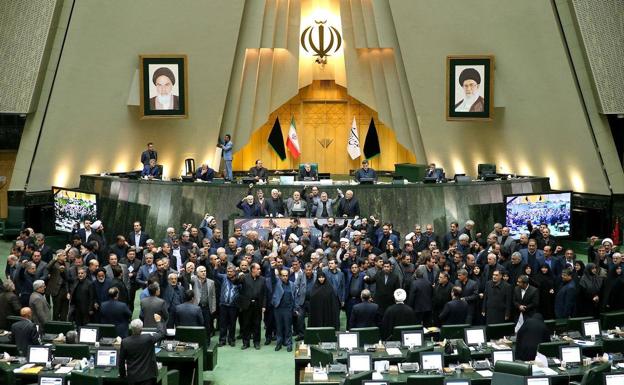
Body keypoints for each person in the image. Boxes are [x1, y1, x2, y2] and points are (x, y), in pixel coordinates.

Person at [119, 314, 166, 385]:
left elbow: (121, 362)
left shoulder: (125, 342)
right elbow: (161, 333)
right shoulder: (148, 338)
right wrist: (158, 321)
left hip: (133, 377)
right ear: (141, 328)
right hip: (148, 377)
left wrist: (123, 376)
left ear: (131, 328)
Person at [237, 262, 266, 350]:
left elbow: (264, 294)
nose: (260, 270)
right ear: (253, 269)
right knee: (246, 324)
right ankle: (246, 343)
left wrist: (264, 306)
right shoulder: (244, 277)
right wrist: (238, 275)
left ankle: (256, 342)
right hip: (246, 305)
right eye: (258, 269)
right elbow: (236, 282)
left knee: (257, 324)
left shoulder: (262, 279)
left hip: (257, 305)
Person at [271, 268, 300, 351]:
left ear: (288, 276)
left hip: (288, 309)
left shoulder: (292, 285)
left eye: (286, 275)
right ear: (280, 276)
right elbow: (272, 277)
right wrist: (272, 268)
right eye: (283, 275)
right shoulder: (276, 283)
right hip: (278, 309)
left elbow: (295, 298)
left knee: (288, 328)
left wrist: (295, 308)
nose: (285, 277)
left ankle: (289, 344)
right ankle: (279, 344)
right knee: (279, 328)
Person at [191, 266, 217, 334]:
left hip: (207, 307)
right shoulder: (194, 281)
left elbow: (213, 296)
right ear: (197, 273)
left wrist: (213, 307)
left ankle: (207, 342)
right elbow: (188, 278)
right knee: (197, 324)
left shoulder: (211, 282)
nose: (203, 273)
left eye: (204, 271)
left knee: (207, 325)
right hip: (197, 306)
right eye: (201, 271)